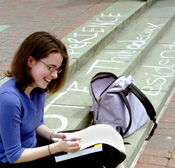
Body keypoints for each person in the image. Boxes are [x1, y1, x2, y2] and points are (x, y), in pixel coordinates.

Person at [0, 31, 125, 168]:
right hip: (18, 160)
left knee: (103, 142)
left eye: (57, 70)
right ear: (30, 61)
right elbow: (14, 155)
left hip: (34, 145)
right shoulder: (9, 99)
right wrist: (57, 148)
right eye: (51, 68)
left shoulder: (37, 88)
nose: (54, 75)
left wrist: (53, 135)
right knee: (96, 155)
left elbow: (37, 123)